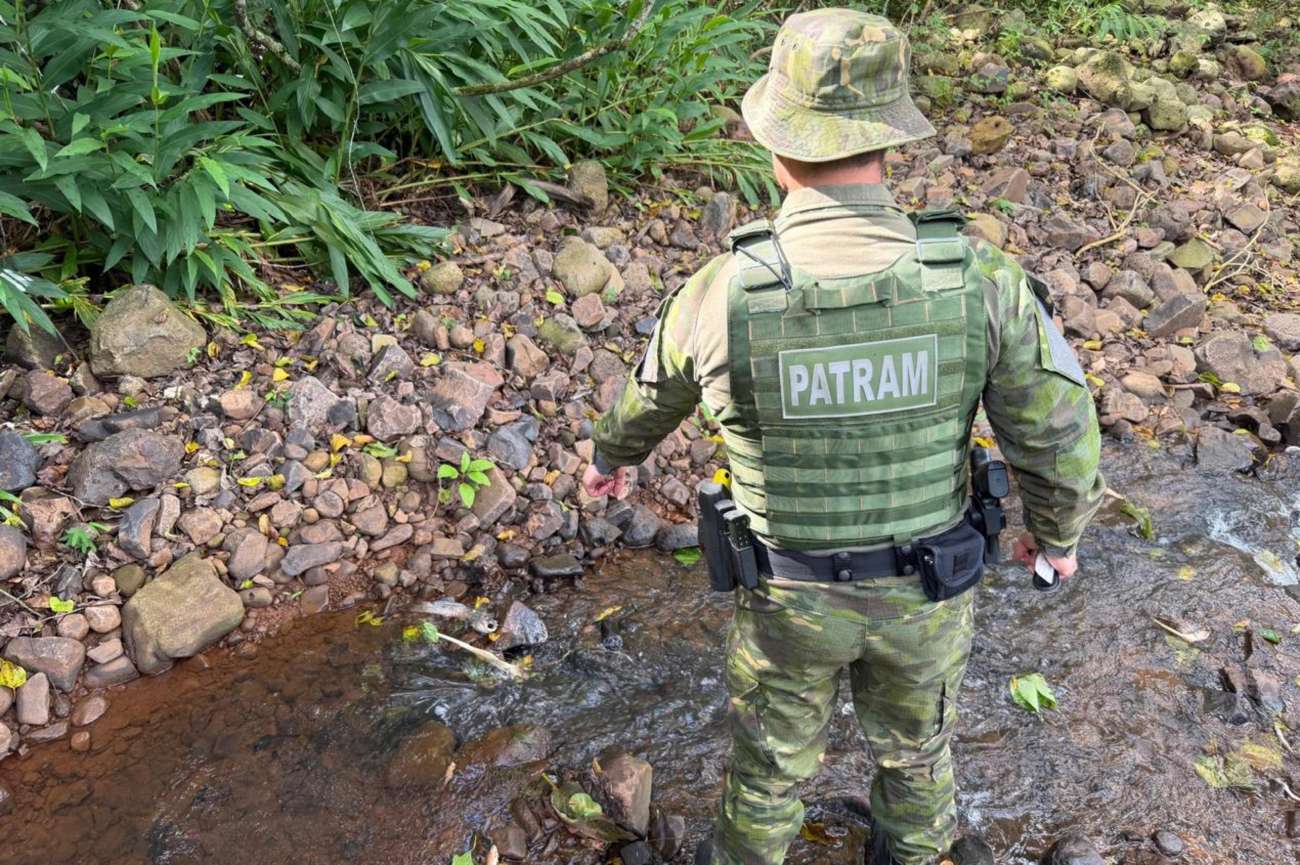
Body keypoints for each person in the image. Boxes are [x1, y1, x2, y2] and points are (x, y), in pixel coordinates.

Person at [582, 9, 1105, 865]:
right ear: (888, 142)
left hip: (786, 599)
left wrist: (613, 460)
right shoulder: (979, 280)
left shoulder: (721, 292)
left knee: (769, 768)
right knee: (917, 751)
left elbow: (645, 399)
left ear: (776, 148)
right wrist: (1059, 536)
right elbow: (1054, 430)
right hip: (926, 594)